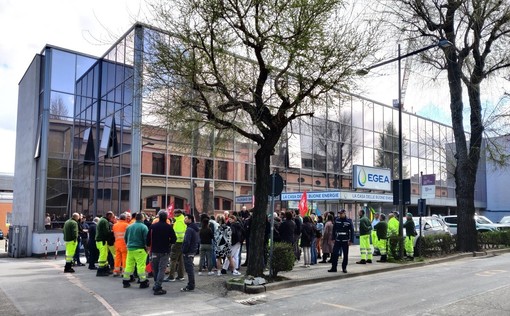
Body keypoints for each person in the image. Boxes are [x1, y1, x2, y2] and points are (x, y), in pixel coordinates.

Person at [147, 210, 176, 295]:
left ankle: (156, 283)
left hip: (154, 250)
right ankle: (157, 286)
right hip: (165, 251)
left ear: (159, 217)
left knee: (155, 268)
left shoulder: (153, 226)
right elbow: (174, 239)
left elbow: (148, 239)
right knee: (162, 269)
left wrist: (148, 246)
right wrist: (169, 243)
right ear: (166, 217)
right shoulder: (169, 227)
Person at [122, 213, 149, 289]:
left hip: (130, 249)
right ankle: (143, 281)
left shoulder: (129, 227)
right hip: (140, 249)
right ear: (142, 218)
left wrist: (128, 245)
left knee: (129, 265)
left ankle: (125, 281)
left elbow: (125, 238)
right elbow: (146, 239)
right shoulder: (144, 227)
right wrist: (147, 248)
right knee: (140, 266)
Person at [181, 214, 200, 292]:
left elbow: (187, 241)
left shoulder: (189, 229)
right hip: (192, 250)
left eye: (186, 218)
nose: (184, 220)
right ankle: (191, 284)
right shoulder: (194, 228)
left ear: (190, 219)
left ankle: (191, 285)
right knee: (190, 268)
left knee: (189, 269)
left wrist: (184, 250)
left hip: (188, 251)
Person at [165, 210, 186, 282]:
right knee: (180, 259)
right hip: (182, 242)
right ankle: (180, 276)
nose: (173, 215)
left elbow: (179, 233)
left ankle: (171, 276)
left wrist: (174, 240)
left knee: (173, 259)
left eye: (174, 213)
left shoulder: (179, 222)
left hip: (177, 242)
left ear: (178, 214)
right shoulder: (183, 220)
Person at [95, 212, 114, 277]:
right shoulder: (104, 221)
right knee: (103, 255)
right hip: (102, 240)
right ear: (109, 216)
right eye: (112, 217)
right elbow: (106, 232)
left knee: (104, 254)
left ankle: (105, 268)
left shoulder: (102, 220)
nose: (112, 218)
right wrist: (112, 231)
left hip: (100, 240)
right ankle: (101, 270)